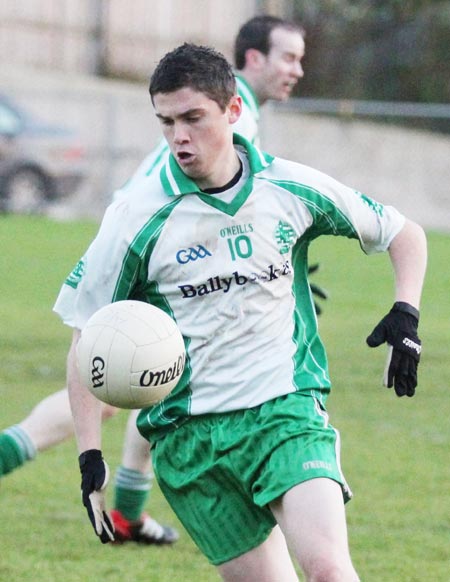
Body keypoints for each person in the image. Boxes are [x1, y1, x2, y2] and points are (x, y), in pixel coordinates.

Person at [54, 43, 427, 581]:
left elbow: (401, 232)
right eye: (166, 123)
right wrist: (90, 456)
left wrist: (405, 313)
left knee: (328, 570)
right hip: (190, 443)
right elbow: (84, 336)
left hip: (285, 413)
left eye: (192, 118)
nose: (179, 137)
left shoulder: (288, 187)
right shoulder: (135, 218)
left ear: (232, 112)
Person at [1, 14, 320, 545]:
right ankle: (22, 452)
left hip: (158, 238)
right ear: (255, 60)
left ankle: (128, 509)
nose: (298, 70)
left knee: (161, 376)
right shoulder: (229, 108)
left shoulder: (228, 102)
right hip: (149, 243)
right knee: (112, 382)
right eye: (288, 57)